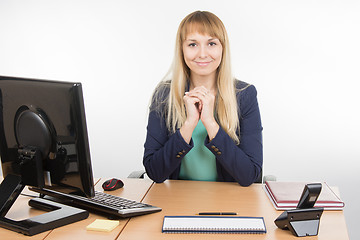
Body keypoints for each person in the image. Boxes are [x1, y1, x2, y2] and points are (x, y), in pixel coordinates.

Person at [143, 10, 263, 186]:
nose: (202, 54)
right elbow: (155, 172)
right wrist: (189, 123)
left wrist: (210, 123)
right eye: (193, 44)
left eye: (211, 43)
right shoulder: (164, 95)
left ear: (223, 48)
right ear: (181, 49)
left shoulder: (244, 95)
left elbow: (249, 175)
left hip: (229, 202)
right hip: (176, 201)